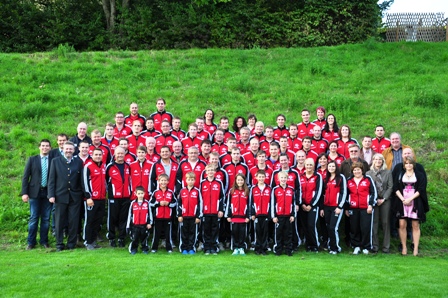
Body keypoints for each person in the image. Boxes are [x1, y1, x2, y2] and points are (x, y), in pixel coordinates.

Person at [48, 141, 84, 251]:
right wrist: (51, 195)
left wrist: (83, 194)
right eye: (66, 149)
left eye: (70, 149)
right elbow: (51, 180)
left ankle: (71, 244)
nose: (68, 151)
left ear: (74, 150)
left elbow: (81, 180)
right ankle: (59, 244)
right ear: (63, 149)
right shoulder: (55, 161)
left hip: (75, 196)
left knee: (73, 221)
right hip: (60, 196)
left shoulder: (78, 162)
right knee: (59, 221)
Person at [21, 139, 52, 250]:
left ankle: (44, 241)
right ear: (39, 147)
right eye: (43, 146)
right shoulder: (32, 159)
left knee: (46, 219)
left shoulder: (53, 160)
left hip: (48, 193)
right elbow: (25, 177)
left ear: (50, 148)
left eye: (47, 146)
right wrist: (24, 193)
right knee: (34, 218)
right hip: (34, 193)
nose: (45, 147)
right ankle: (31, 242)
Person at [393, 157, 428, 256]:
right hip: (402, 202)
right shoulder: (400, 175)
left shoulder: (419, 175)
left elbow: (421, 189)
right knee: (402, 225)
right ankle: (404, 247)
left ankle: (415, 248)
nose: (408, 165)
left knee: (415, 225)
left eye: (410, 163)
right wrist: (403, 199)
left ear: (413, 165)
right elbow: (395, 188)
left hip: (415, 201)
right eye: (406, 163)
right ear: (404, 165)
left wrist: (410, 199)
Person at [345, 162, 377, 255]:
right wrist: (347, 208)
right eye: (355, 170)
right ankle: (356, 246)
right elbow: (346, 195)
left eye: (358, 169)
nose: (357, 171)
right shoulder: (349, 180)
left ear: (362, 170)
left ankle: (367, 247)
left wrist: (371, 205)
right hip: (353, 207)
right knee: (354, 228)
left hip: (366, 207)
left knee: (365, 227)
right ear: (352, 171)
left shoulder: (368, 179)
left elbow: (373, 192)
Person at [366, 154, 393, 253]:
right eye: (376, 159)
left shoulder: (388, 172)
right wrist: (374, 199)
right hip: (374, 201)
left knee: (385, 223)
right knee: (374, 223)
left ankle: (386, 247)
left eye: (380, 159)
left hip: (385, 200)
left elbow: (390, 187)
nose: (378, 161)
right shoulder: (368, 173)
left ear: (383, 161)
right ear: (373, 161)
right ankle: (375, 246)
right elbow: (368, 188)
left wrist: (384, 198)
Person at [106, 146, 132, 248]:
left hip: (126, 196)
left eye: (122, 153)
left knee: (123, 218)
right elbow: (106, 180)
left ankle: (121, 238)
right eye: (118, 153)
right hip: (114, 197)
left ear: (125, 154)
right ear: (115, 154)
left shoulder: (128, 166)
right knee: (112, 218)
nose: (120, 155)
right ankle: (111, 238)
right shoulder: (110, 166)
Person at [82, 148, 107, 250]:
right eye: (96, 154)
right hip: (92, 199)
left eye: (99, 155)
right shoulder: (88, 166)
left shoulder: (103, 166)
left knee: (98, 221)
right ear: (91, 155)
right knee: (90, 220)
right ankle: (87, 241)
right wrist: (88, 197)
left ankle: (93, 241)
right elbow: (85, 183)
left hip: (101, 198)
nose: (98, 156)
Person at [320, 161, 346, 254]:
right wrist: (322, 208)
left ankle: (336, 248)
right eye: (329, 166)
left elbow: (344, 192)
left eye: (333, 166)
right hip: (327, 207)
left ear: (336, 167)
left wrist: (340, 206)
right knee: (328, 227)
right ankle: (331, 246)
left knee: (333, 228)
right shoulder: (325, 178)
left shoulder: (341, 177)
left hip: (336, 207)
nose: (331, 168)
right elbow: (323, 194)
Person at [200, 165, 225, 254]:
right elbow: (200, 198)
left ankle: (214, 247)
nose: (210, 172)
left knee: (215, 230)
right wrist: (200, 210)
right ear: (205, 172)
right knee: (206, 230)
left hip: (215, 211)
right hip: (205, 211)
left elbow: (222, 197)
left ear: (215, 172)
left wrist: (221, 209)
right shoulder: (202, 183)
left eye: (212, 170)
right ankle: (207, 248)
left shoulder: (219, 183)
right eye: (208, 170)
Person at [299, 158, 323, 252]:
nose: (309, 167)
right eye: (307, 165)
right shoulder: (301, 176)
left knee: (311, 225)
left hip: (313, 206)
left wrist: (312, 204)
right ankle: (308, 245)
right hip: (303, 206)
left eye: (311, 165)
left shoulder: (318, 176)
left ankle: (315, 245)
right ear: (304, 165)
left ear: (313, 166)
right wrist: (302, 204)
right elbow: (299, 191)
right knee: (305, 226)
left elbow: (319, 191)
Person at [271, 171, 296, 256]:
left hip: (288, 216)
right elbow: (273, 203)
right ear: (278, 179)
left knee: (288, 233)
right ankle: (278, 249)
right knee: (278, 233)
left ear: (287, 179)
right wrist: (273, 216)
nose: (283, 179)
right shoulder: (275, 189)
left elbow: (293, 203)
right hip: (279, 215)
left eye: (285, 178)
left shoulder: (291, 189)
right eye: (281, 178)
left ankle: (289, 250)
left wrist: (293, 215)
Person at [150, 174, 177, 253]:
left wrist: (168, 204)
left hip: (168, 216)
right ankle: (154, 248)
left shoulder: (170, 192)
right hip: (158, 216)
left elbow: (175, 202)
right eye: (162, 180)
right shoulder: (155, 192)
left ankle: (169, 248)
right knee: (156, 233)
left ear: (168, 182)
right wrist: (158, 203)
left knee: (168, 233)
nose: (163, 182)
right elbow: (150, 203)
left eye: (165, 180)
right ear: (158, 181)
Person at [177, 172, 202, 255]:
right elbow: (179, 204)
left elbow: (199, 204)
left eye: (192, 180)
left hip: (193, 216)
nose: (190, 181)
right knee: (184, 233)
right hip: (184, 217)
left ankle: (191, 248)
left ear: (195, 180)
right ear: (185, 180)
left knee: (193, 233)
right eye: (188, 179)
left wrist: (198, 216)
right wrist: (179, 215)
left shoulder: (197, 191)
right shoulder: (182, 191)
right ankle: (184, 248)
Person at [226, 174, 251, 255]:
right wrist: (228, 215)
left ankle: (242, 248)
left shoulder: (247, 191)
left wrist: (248, 216)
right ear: (236, 181)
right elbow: (229, 204)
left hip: (243, 217)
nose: (240, 181)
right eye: (238, 180)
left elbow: (249, 204)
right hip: (234, 217)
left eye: (241, 180)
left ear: (244, 181)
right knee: (235, 232)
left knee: (242, 233)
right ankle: (235, 248)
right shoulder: (232, 191)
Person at [249, 170, 272, 255]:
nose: (261, 178)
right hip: (257, 214)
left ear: (265, 177)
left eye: (263, 177)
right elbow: (251, 202)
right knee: (257, 231)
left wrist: (270, 214)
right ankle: (257, 248)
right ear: (256, 177)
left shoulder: (269, 188)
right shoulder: (253, 188)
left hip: (265, 213)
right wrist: (252, 213)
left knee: (265, 231)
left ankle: (264, 248)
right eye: (260, 177)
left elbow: (271, 202)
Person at [126, 186, 152, 255]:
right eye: (139, 193)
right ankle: (133, 249)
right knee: (135, 238)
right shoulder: (133, 203)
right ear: (135, 194)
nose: (140, 195)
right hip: (135, 225)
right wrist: (128, 225)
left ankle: (144, 249)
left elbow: (150, 214)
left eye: (142, 193)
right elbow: (129, 215)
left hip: (144, 225)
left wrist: (150, 223)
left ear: (144, 194)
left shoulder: (147, 203)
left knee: (144, 238)